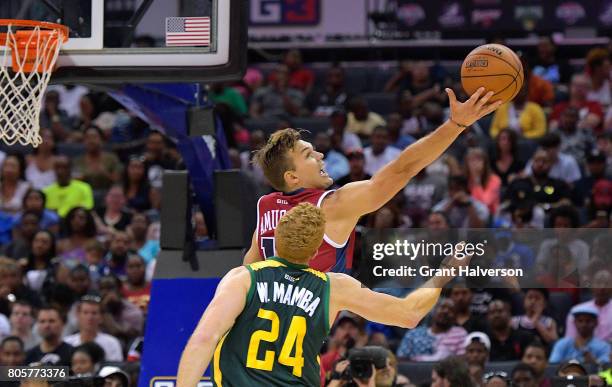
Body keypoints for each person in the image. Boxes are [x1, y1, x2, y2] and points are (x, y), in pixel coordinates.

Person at [177, 203, 472, 386]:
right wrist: (444, 271)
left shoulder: (242, 278)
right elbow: (409, 314)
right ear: (318, 249)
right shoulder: (334, 286)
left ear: (276, 238)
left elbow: (204, 339)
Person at [243, 88, 501, 272]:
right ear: (292, 176)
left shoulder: (265, 205)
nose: (321, 156)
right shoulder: (331, 206)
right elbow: (402, 169)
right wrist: (456, 124)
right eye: (310, 155)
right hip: (301, 334)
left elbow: (247, 272)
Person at [396, 298, 468, 361]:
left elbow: (461, 360)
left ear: (455, 317)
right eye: (442, 307)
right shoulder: (413, 334)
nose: (445, 311)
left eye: (451, 310)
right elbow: (401, 359)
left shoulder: (459, 334)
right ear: (433, 311)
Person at [64, 296, 124, 362]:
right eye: (85, 313)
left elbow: (115, 369)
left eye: (94, 313)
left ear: (101, 318)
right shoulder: (67, 342)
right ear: (78, 316)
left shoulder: (112, 343)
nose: (90, 317)